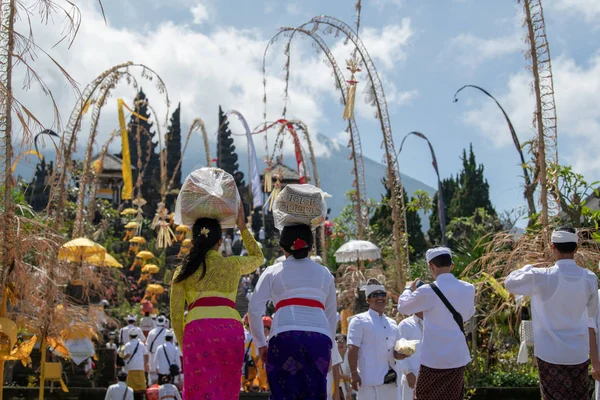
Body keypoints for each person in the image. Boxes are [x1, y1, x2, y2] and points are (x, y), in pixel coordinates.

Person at [170, 202, 264, 399]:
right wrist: (242, 227)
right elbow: (258, 258)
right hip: (230, 332)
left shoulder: (182, 271)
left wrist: (185, 345)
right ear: (220, 242)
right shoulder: (233, 265)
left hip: (198, 334)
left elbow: (176, 317)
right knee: (227, 392)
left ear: (193, 241)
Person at [505, 227, 599, 400]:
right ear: (576, 248)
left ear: (552, 247)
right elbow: (591, 311)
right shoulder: (589, 278)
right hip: (578, 353)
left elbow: (510, 283)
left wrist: (528, 267)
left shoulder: (541, 276)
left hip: (550, 354)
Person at [249, 224, 337, 399]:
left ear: (282, 246)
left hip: (284, 336)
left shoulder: (272, 271)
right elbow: (331, 315)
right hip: (319, 339)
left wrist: (260, 344)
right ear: (311, 246)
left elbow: (253, 310)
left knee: (283, 393)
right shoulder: (325, 273)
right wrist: (330, 350)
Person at [397, 247, 475, 400]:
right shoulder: (469, 288)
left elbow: (403, 306)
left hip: (433, 360)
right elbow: (467, 315)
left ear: (431, 266)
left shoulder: (428, 290)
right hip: (457, 357)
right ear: (451, 265)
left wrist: (408, 288)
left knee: (422, 397)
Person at [347, 279, 407, 400]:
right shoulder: (358, 320)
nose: (380, 298)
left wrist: (402, 354)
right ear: (367, 299)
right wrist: (353, 374)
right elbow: (352, 348)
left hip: (391, 381)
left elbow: (396, 351)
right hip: (369, 382)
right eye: (375, 295)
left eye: (382, 295)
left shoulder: (393, 323)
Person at [396, 312, 423, 400]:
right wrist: (407, 372)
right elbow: (398, 351)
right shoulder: (405, 325)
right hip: (412, 377)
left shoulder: (433, 323)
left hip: (430, 375)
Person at [122, 331, 149, 395]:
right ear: (137, 336)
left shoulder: (128, 344)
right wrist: (146, 364)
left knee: (131, 384)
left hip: (131, 366)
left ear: (130, 336)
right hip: (140, 366)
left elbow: (128, 354)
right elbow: (146, 354)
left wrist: (123, 357)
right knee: (141, 383)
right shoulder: (141, 344)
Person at [147, 316, 168, 385]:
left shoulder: (151, 332)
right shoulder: (167, 332)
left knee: (153, 378)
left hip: (153, 356)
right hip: (165, 356)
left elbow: (147, 346)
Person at [336, 334, 353, 400]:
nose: (341, 344)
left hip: (349, 390)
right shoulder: (332, 357)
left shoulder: (350, 356)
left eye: (343, 341)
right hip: (335, 389)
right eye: (339, 342)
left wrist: (349, 392)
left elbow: (354, 376)